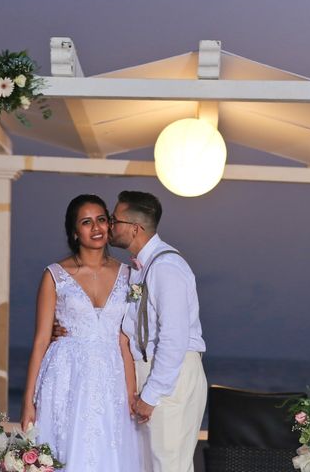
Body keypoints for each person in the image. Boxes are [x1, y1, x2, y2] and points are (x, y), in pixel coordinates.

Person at [57, 190, 207, 471]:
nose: (109, 226)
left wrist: (151, 396)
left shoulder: (167, 267)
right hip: (149, 373)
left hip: (169, 377)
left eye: (114, 220)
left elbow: (174, 339)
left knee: (168, 465)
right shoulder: (140, 268)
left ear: (134, 228)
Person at [20, 194, 142, 472]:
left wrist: (131, 393)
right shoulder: (55, 275)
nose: (96, 228)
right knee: (65, 451)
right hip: (65, 376)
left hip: (111, 378)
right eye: (86, 222)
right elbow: (40, 340)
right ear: (75, 232)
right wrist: (28, 401)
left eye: (101, 220)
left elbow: (125, 340)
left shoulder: (129, 275)